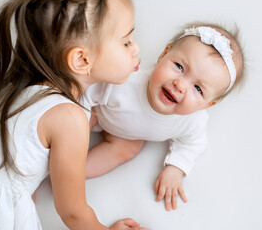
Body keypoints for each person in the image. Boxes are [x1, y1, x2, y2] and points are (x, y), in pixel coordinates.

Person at [0, 0, 148, 229]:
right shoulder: (69, 117)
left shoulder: (12, 89)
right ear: (81, 60)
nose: (136, 48)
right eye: (126, 42)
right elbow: (73, 212)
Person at [83, 22, 246, 211]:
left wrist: (176, 168)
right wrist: (83, 119)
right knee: (77, 121)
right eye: (179, 66)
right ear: (163, 55)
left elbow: (193, 143)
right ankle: (60, 159)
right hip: (97, 112)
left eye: (198, 88)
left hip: (124, 137)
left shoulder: (192, 121)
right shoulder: (125, 81)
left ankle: (74, 172)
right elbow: (86, 93)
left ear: (207, 105)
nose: (180, 85)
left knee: (129, 148)